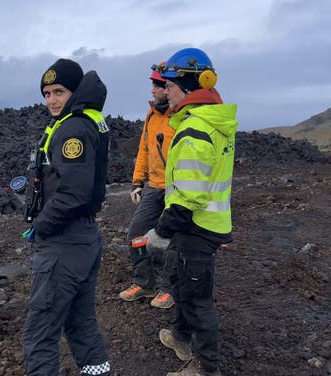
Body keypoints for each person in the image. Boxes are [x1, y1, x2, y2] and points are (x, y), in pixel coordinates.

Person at [144, 48, 238, 376]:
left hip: (195, 227)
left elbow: (187, 198)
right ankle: (181, 336)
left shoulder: (195, 130)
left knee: (198, 300)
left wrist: (160, 232)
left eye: (169, 86)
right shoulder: (210, 123)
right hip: (203, 226)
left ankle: (205, 368)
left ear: (186, 87)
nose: (164, 92)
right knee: (183, 286)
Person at [21, 58, 111, 376]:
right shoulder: (86, 121)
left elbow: (74, 192)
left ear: (74, 91)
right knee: (80, 324)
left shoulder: (73, 128)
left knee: (40, 335)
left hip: (64, 243)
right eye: (46, 93)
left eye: (59, 91)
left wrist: (41, 225)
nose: (51, 100)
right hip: (83, 240)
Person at [118, 61, 177, 310]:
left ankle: (169, 289)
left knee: (173, 240)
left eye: (157, 86)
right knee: (136, 235)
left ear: (169, 88)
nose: (152, 91)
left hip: (177, 188)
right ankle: (145, 283)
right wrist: (136, 182)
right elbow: (144, 149)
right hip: (153, 186)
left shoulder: (182, 117)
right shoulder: (152, 115)